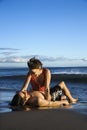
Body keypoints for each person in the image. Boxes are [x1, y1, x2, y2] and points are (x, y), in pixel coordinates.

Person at [11, 57, 77, 107]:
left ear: (39, 68)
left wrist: (48, 99)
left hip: (47, 93)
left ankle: (71, 99)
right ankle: (62, 97)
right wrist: (21, 92)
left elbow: (46, 88)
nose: (32, 73)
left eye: (33, 72)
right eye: (30, 71)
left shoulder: (46, 72)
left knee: (62, 83)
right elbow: (24, 88)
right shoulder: (30, 73)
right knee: (55, 97)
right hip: (38, 94)